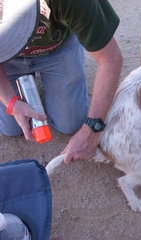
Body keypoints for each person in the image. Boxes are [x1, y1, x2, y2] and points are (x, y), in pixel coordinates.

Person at [0, 0, 123, 164]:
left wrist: (91, 131)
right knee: (10, 128)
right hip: (7, 59)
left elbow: (111, 60)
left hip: (57, 47)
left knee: (70, 124)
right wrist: (12, 103)